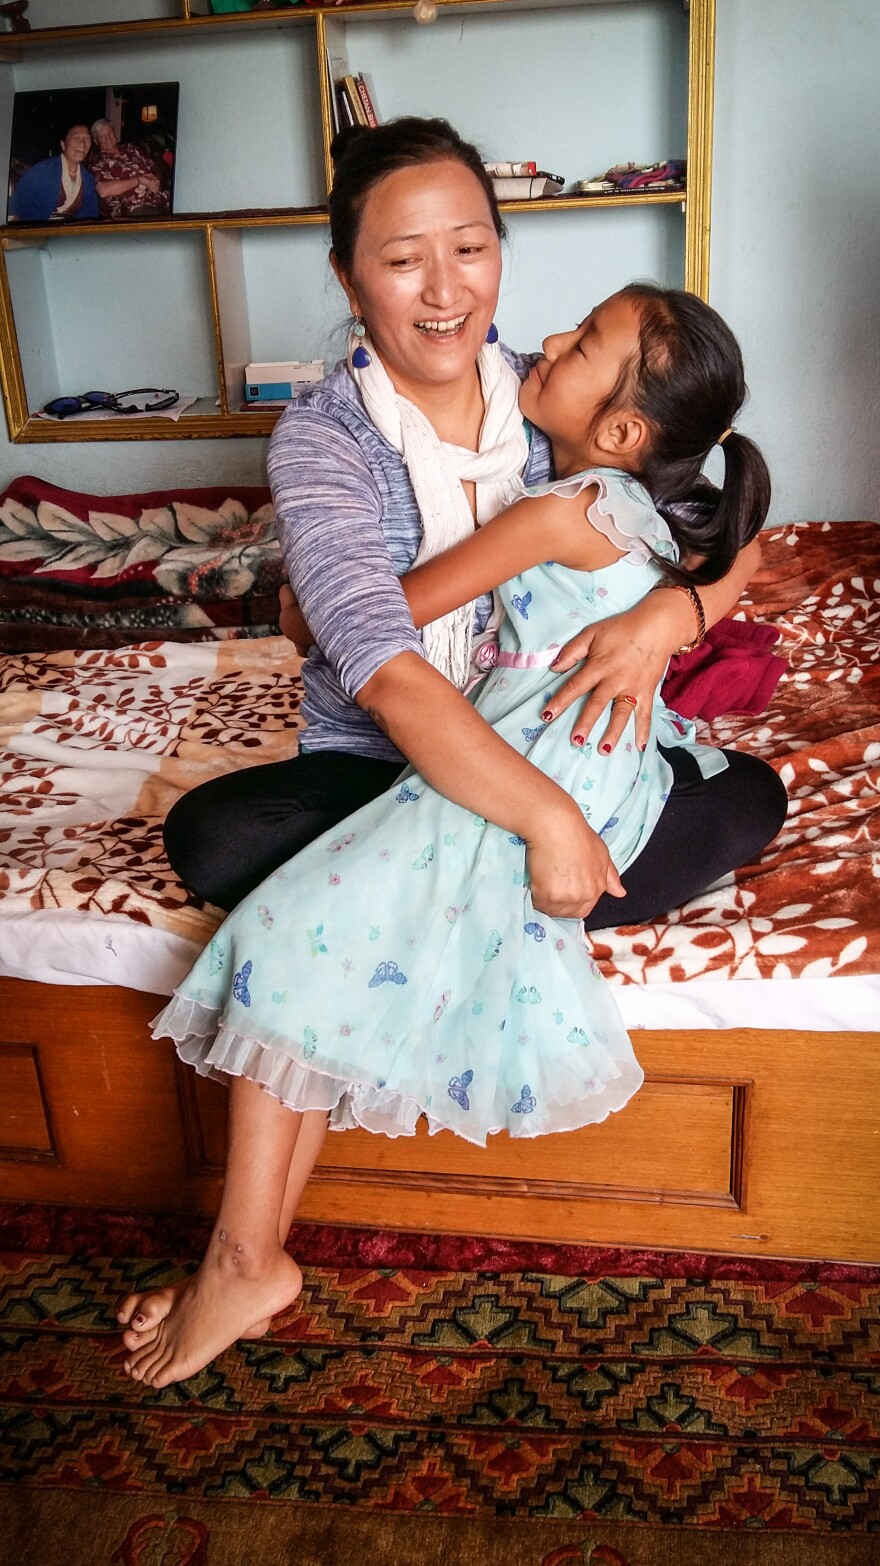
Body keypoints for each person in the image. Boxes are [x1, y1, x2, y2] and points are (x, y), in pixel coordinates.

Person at [118, 275, 777, 1389]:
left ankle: (242, 1257)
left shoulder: (559, 510)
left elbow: (380, 615)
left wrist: (297, 603)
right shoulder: (640, 506)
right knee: (290, 893)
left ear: (619, 431)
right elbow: (731, 548)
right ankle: (248, 1258)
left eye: (582, 345)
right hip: (592, 777)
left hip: (519, 774)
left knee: (284, 935)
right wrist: (670, 606)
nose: (550, 339)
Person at [162, 118, 784, 935]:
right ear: (349, 280)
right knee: (214, 836)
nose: (445, 291)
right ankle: (514, 879)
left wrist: (656, 626)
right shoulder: (324, 437)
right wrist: (546, 818)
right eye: (401, 259)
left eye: (468, 247)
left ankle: (413, 902)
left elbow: (729, 535)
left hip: (557, 741)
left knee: (751, 793)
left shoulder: (553, 397)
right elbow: (380, 667)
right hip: (386, 767)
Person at [7, 123, 98, 222]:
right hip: (37, 230)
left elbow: (91, 215)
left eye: (87, 138)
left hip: (70, 233)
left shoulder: (88, 179)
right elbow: (15, 204)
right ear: (63, 145)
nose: (83, 144)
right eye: (76, 137)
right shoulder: (43, 170)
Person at [88, 119, 169, 219]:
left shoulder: (131, 148)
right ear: (96, 141)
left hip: (161, 198)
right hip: (132, 209)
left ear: (115, 133)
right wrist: (139, 179)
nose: (108, 138)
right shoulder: (98, 162)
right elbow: (103, 190)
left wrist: (154, 180)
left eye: (110, 133)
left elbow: (153, 168)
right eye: (102, 136)